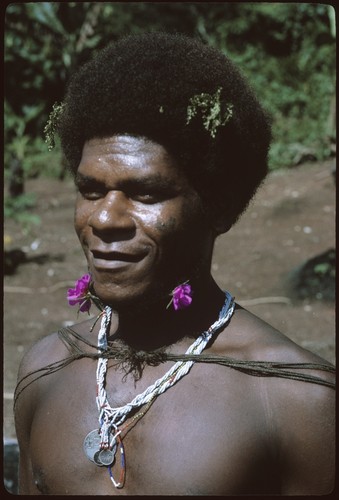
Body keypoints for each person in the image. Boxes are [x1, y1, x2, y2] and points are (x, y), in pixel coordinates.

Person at [14, 32, 335, 496]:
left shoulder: (296, 402)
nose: (104, 218)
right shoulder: (44, 373)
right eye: (90, 190)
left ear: (219, 208)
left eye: (146, 193)